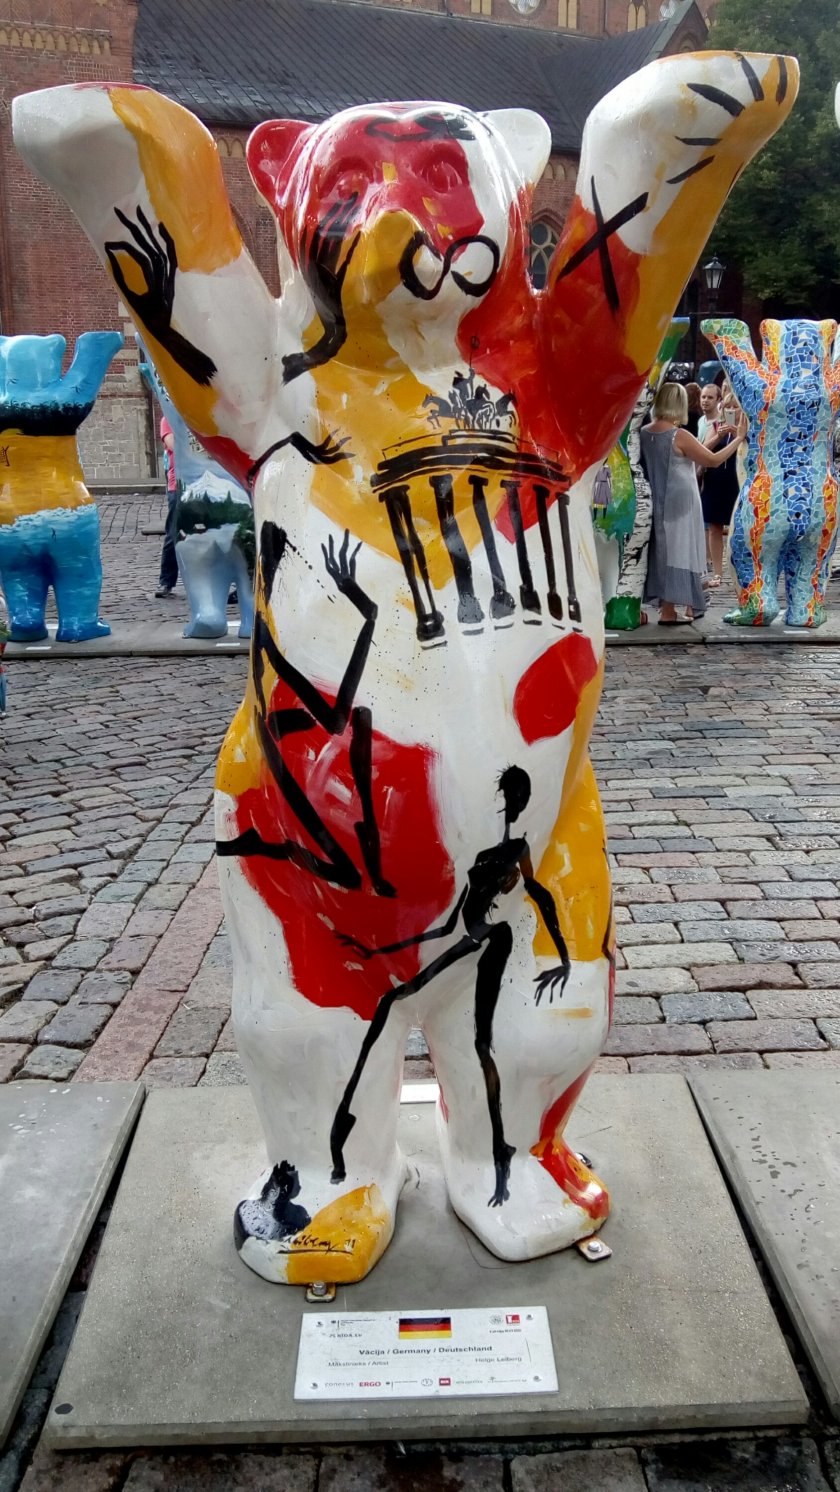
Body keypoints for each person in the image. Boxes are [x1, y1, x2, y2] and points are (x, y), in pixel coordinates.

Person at [643, 382, 747, 626]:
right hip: (681, 500)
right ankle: (676, 608)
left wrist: (718, 436)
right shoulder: (678, 434)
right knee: (683, 551)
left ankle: (670, 607)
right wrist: (738, 439)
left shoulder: (645, 432)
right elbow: (712, 460)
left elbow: (697, 452)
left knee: (664, 551)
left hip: (656, 496)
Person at [699, 384, 742, 586]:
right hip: (716, 479)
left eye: (735, 407)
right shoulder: (716, 426)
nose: (731, 411)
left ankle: (739, 569)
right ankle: (717, 572)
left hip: (736, 479)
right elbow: (703, 449)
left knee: (738, 527)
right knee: (714, 527)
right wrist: (720, 436)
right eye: (727, 407)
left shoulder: (748, 426)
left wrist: (739, 434)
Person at [154, 415, 178, 598]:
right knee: (173, 532)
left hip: (204, 481)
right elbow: (173, 444)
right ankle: (166, 581)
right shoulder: (168, 419)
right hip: (178, 484)